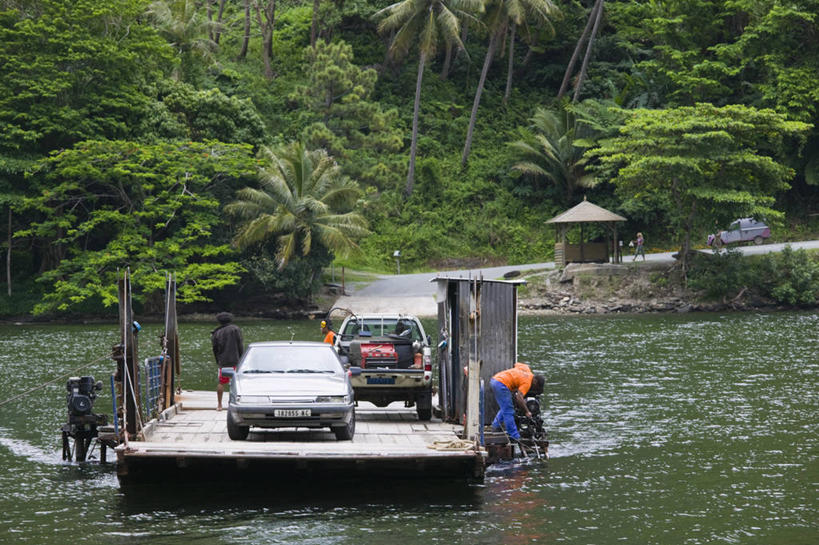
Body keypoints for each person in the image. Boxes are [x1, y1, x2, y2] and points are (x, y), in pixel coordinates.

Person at [490, 362, 545, 441]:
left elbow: (517, 364)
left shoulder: (527, 370)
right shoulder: (527, 382)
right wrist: (527, 411)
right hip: (501, 384)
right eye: (536, 387)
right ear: (535, 381)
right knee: (509, 411)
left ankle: (496, 426)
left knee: (505, 407)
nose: (534, 388)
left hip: (495, 379)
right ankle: (514, 436)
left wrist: (514, 377)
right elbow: (519, 397)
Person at [211, 312, 243, 411]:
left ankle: (219, 405)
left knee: (221, 382)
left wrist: (218, 360)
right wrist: (242, 358)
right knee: (236, 382)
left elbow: (215, 349)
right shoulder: (235, 329)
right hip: (236, 360)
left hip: (223, 361)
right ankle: (234, 403)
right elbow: (240, 344)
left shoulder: (216, 332)